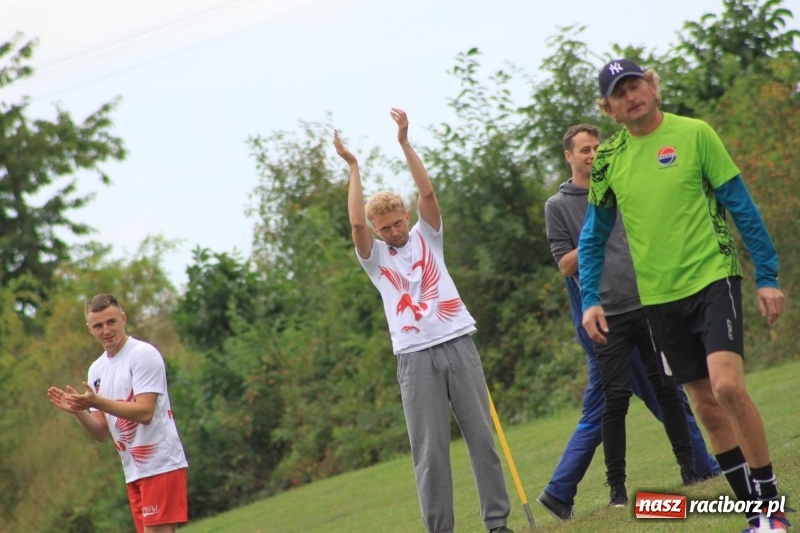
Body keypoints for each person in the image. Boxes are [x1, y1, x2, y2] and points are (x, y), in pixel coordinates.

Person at [579, 59, 790, 532]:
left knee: (728, 387)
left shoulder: (695, 134)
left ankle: (773, 509)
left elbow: (742, 206)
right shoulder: (609, 160)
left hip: (714, 277)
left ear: (652, 87)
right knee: (707, 407)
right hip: (658, 300)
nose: (631, 96)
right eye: (620, 92)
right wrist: (591, 296)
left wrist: (768, 275)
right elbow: (593, 237)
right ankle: (754, 516)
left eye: (636, 85)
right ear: (609, 108)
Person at [333, 108, 513, 533]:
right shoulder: (374, 260)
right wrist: (354, 166)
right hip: (414, 359)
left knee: (482, 440)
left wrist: (404, 143)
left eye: (398, 223)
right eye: (386, 228)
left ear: (407, 219)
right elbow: (355, 221)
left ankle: (497, 522)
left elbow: (428, 193)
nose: (394, 231)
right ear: (377, 232)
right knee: (429, 453)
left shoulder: (427, 236)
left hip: (458, 343)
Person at [537, 124, 719, 520]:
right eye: (584, 150)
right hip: (599, 316)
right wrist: (596, 227)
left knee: (663, 392)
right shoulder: (559, 205)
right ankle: (601, 489)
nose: (592, 154)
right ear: (569, 156)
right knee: (613, 402)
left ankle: (697, 469)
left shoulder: (620, 184)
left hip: (646, 304)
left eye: (596, 148)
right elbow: (566, 265)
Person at [47, 294, 189, 533]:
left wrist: (98, 402)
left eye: (111, 322)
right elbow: (101, 432)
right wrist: (80, 411)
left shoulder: (142, 354)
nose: (106, 330)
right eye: (98, 325)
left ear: (123, 318)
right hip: (133, 470)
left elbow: (145, 412)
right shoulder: (96, 369)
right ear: (89, 329)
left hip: (160, 463)